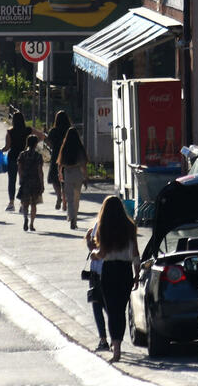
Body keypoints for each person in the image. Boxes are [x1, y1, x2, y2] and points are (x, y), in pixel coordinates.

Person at [91, 195, 140, 362]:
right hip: (125, 271)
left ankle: (116, 347)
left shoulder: (104, 227)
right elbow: (135, 254)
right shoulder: (129, 227)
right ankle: (118, 342)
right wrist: (137, 275)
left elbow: (102, 253)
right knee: (121, 309)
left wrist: (94, 254)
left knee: (112, 310)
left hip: (110, 271)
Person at [0, 111, 36, 212]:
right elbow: (41, 136)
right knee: (23, 180)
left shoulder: (10, 131)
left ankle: (11, 203)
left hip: (12, 157)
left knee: (12, 180)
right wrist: (32, 146)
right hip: (24, 157)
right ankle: (23, 203)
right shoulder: (28, 130)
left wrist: (1, 151)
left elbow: (7, 147)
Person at [57, 127, 88, 229]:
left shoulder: (64, 147)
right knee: (76, 198)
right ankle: (74, 217)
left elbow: (60, 163)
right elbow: (83, 164)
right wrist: (85, 177)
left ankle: (71, 217)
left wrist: (60, 173)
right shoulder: (79, 147)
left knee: (69, 198)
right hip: (78, 173)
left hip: (68, 173)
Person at [84, 222, 109, 352]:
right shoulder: (123, 225)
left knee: (97, 306)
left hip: (97, 272)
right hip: (113, 271)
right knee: (110, 308)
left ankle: (103, 340)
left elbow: (93, 248)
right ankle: (116, 340)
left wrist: (88, 240)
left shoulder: (99, 224)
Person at [46, 110, 72, 210]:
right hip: (68, 155)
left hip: (56, 155)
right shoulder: (69, 130)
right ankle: (65, 199)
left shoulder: (53, 131)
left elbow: (48, 143)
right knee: (66, 178)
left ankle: (59, 196)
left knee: (54, 178)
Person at [17, 136, 44, 231]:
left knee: (25, 203)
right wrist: (42, 183)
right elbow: (40, 171)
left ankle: (25, 218)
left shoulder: (22, 155)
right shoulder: (38, 156)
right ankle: (32, 224)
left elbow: (19, 168)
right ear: (36, 144)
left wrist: (20, 178)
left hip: (25, 181)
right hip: (35, 181)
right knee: (33, 204)